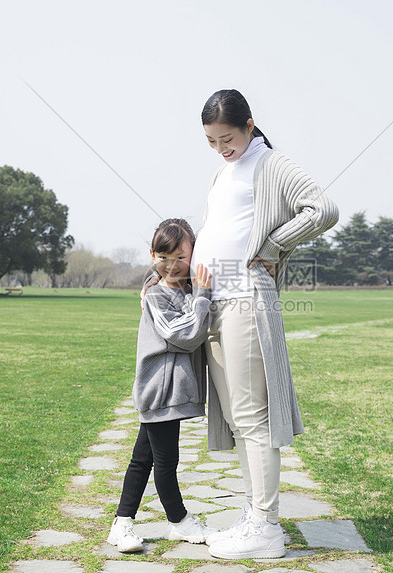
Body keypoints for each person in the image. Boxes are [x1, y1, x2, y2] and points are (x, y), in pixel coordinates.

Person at [195, 89, 339, 559]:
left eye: (228, 137)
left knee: (251, 414)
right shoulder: (223, 171)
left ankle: (267, 527)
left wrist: (274, 247)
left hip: (246, 299)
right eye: (213, 141)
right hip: (215, 300)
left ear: (250, 125)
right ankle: (254, 514)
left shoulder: (269, 164)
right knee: (237, 418)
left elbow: (322, 208)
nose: (222, 147)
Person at [108, 218, 218, 553]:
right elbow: (183, 336)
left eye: (181, 257)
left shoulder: (179, 291)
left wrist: (196, 295)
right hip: (160, 390)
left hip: (166, 391)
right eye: (164, 257)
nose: (172, 265)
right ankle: (178, 520)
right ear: (152, 254)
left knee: (142, 460)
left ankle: (122, 524)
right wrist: (201, 296)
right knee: (165, 463)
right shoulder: (157, 294)